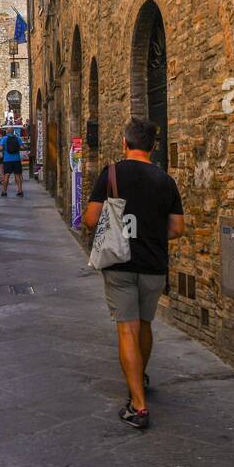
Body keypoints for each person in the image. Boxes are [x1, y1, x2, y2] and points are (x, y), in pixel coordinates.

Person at [83, 117, 185, 431]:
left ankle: (138, 405)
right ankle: (139, 376)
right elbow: (178, 229)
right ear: (153, 147)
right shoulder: (165, 181)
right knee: (144, 324)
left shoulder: (112, 173)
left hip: (119, 263)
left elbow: (90, 219)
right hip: (153, 265)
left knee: (126, 329)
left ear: (125, 143)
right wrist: (151, 234)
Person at [0, 128, 24, 197]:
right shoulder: (17, 138)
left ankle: (4, 191)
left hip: (7, 160)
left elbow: (1, 148)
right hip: (16, 159)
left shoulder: (4, 138)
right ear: (13, 131)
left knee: (6, 175)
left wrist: (4, 148)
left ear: (7, 131)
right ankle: (20, 190)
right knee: (17, 175)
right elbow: (22, 147)